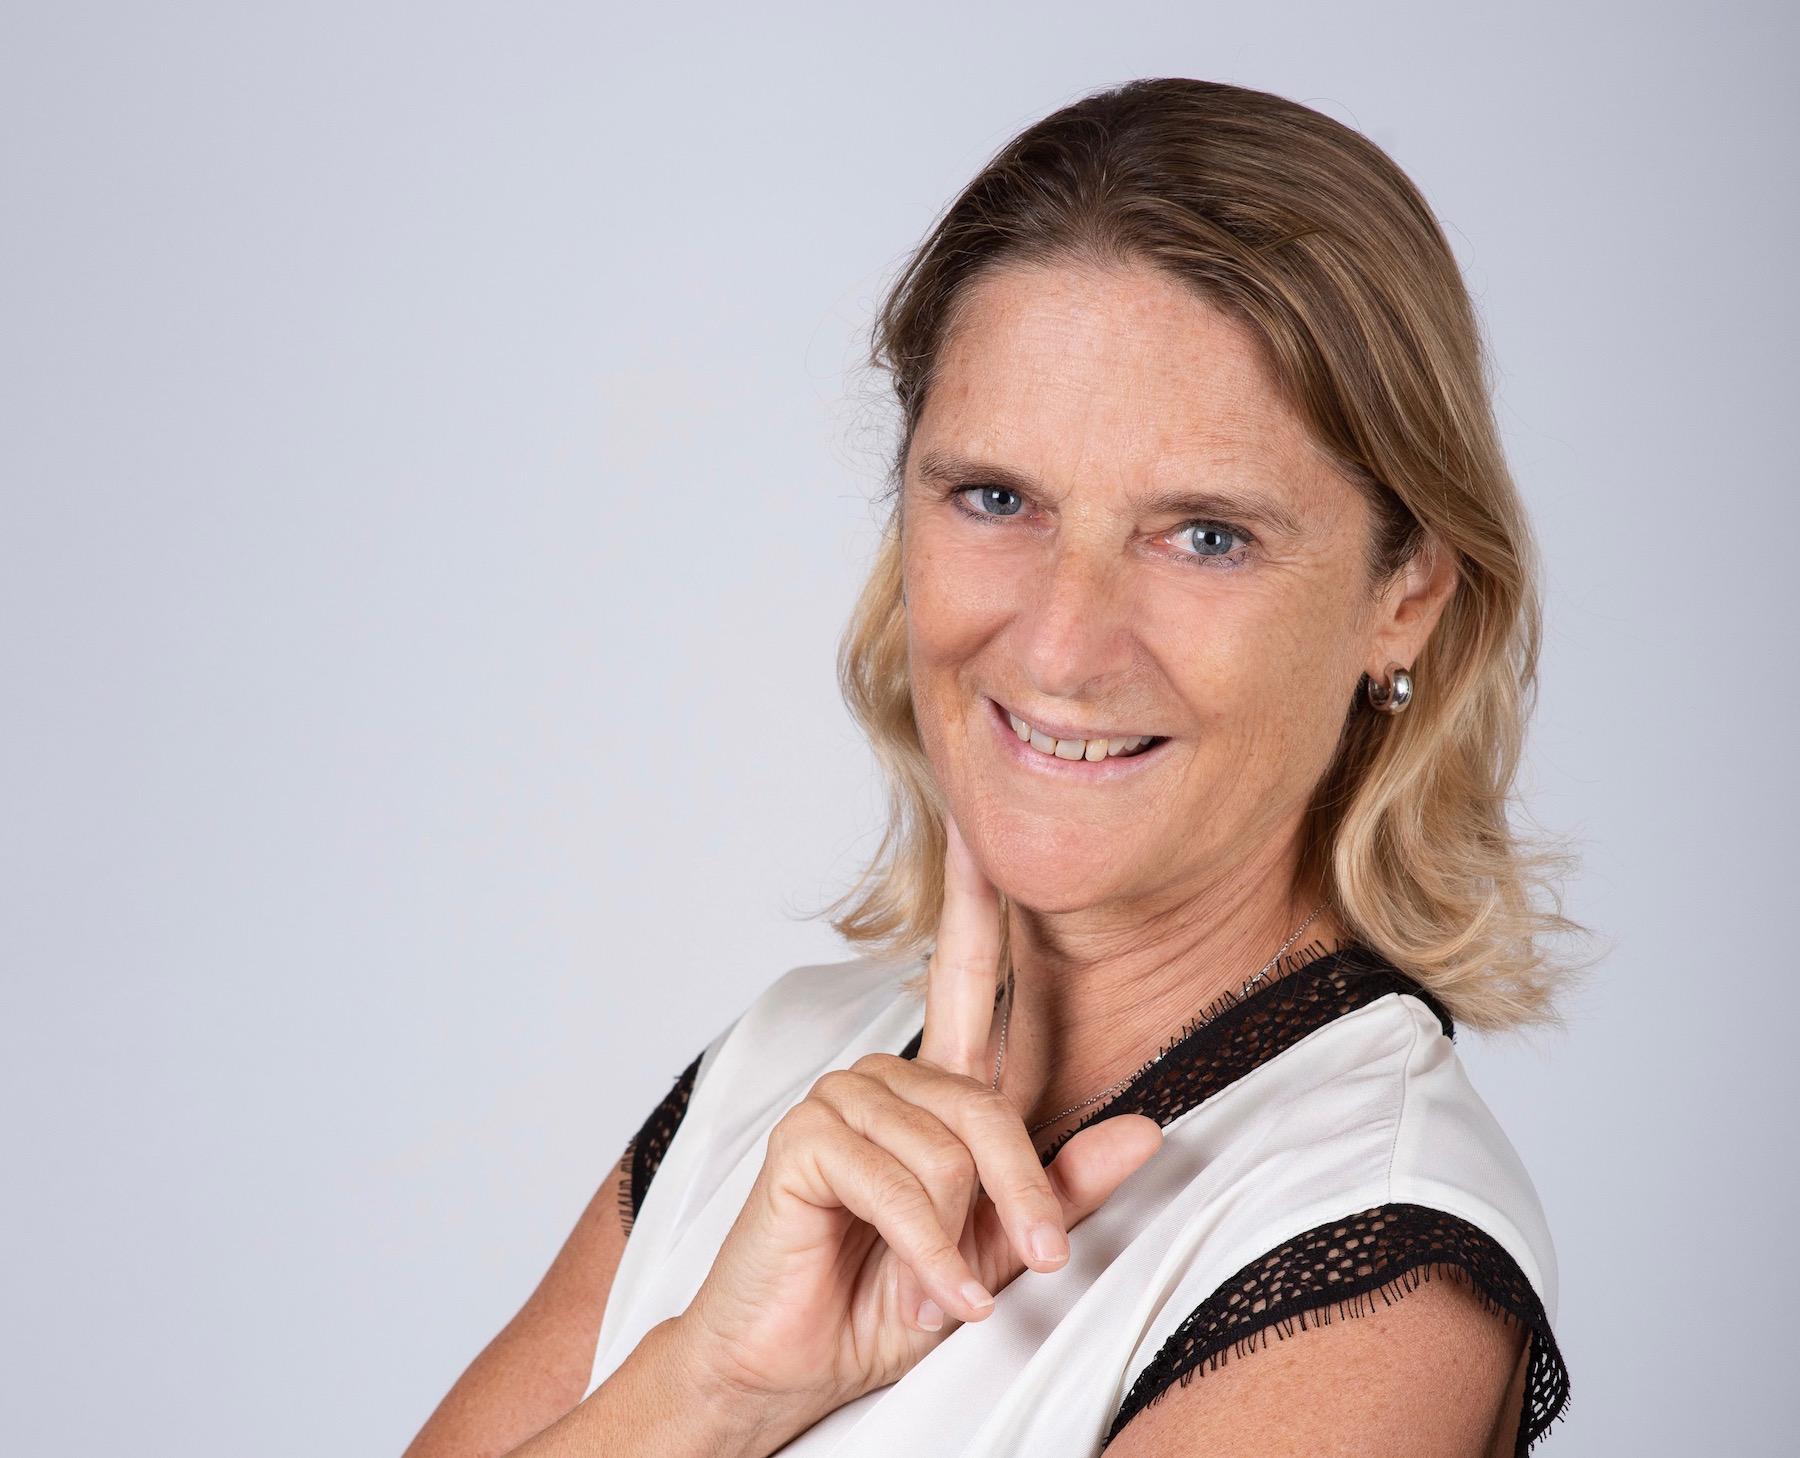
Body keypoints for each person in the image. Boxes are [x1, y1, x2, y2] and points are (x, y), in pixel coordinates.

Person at [403, 76, 1592, 1458]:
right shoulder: (784, 1064)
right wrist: (710, 1392)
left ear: (1407, 594)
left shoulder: (1370, 1265)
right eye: (995, 498)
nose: (1063, 645)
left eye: (1206, 535)